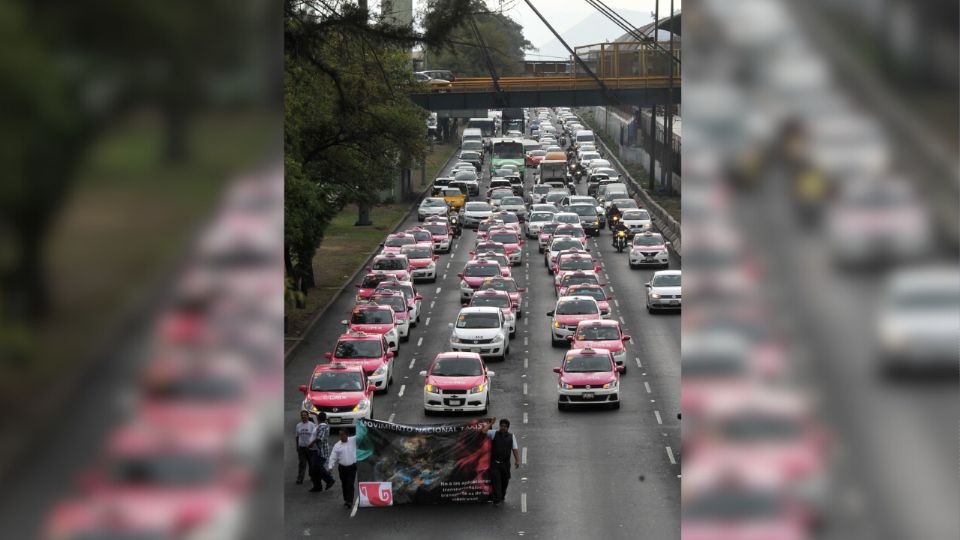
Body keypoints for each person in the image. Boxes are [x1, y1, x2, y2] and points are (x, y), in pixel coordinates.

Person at [486, 418, 520, 506]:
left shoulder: (511, 436)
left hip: (505, 464)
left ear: (508, 428)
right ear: (499, 426)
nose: (503, 428)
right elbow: (483, 431)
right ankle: (496, 499)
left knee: (505, 481)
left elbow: (515, 449)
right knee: (496, 482)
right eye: (501, 426)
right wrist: (491, 424)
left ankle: (501, 496)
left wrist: (517, 460)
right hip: (495, 464)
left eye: (505, 426)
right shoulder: (494, 433)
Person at [327, 429, 358, 508]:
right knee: (344, 484)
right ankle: (346, 499)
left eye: (342, 435)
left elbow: (361, 434)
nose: (341, 437)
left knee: (350, 484)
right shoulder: (337, 445)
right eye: (340, 435)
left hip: (352, 467)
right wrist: (330, 467)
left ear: (347, 435)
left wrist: (363, 422)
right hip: (342, 468)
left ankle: (350, 501)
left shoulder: (353, 440)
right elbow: (333, 456)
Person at [308, 413, 336, 492]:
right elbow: (320, 419)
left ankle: (329, 480)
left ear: (318, 419)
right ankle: (317, 486)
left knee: (318, 467)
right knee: (314, 469)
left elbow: (319, 438)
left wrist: (311, 443)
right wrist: (316, 414)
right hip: (315, 450)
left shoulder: (323, 426)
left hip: (320, 451)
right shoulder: (321, 425)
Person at [294, 411, 316, 485]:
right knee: (302, 464)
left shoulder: (312, 425)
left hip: (310, 448)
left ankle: (312, 477)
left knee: (311, 464)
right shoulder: (298, 425)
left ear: (308, 416)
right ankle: (300, 479)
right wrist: (297, 446)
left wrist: (314, 445)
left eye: (305, 415)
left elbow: (315, 436)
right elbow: (297, 437)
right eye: (302, 416)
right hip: (301, 448)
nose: (303, 417)